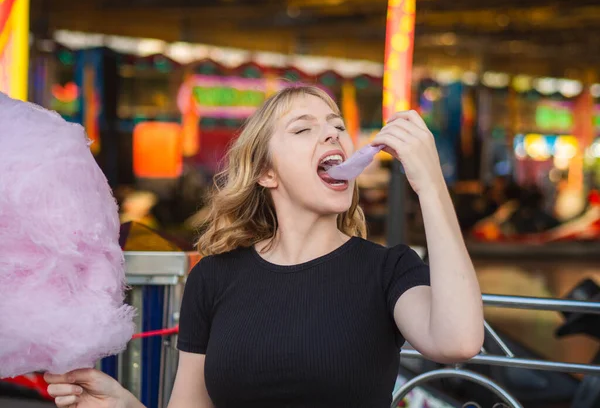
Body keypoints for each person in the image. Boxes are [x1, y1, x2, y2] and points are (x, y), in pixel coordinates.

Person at [44, 86, 483, 408]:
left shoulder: (387, 270)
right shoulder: (213, 278)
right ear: (266, 174)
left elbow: (459, 341)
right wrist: (125, 406)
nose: (333, 136)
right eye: (304, 128)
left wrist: (430, 184)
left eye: (337, 127)